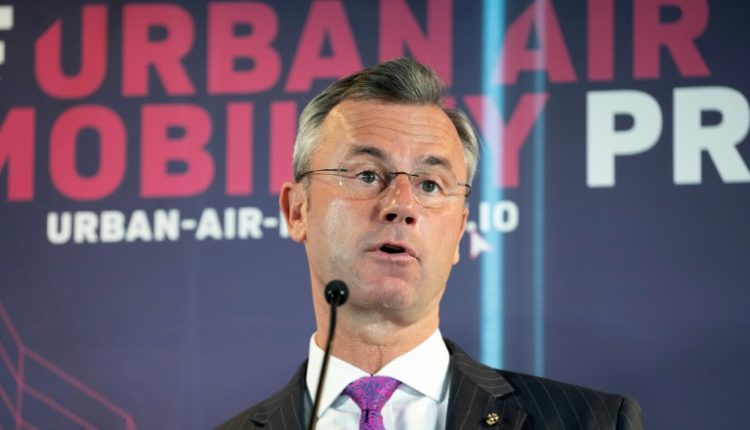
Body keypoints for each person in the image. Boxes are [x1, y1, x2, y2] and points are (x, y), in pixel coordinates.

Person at [215, 58, 643, 430]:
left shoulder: (593, 421)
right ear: (297, 210)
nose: (401, 205)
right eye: (367, 175)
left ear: (459, 231)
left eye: (430, 184)